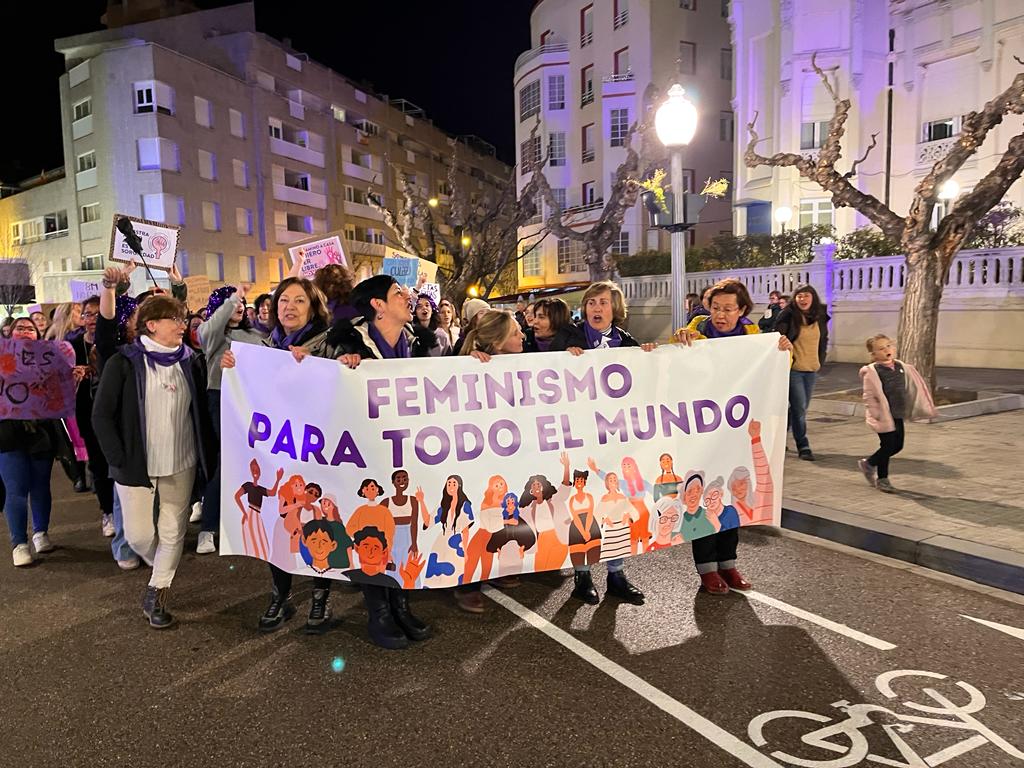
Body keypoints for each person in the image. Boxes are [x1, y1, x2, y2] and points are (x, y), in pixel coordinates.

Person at [222, 276, 342, 635]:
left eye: (299, 301)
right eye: (283, 301)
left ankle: (321, 593)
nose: (289, 307)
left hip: (321, 453)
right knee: (282, 523)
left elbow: (347, 386)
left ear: (313, 308)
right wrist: (232, 369)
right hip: (280, 455)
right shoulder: (262, 348)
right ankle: (281, 594)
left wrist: (332, 364)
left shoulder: (328, 345)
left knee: (320, 523)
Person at [92, 295, 217, 628]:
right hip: (135, 466)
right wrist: (118, 460)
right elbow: (101, 415)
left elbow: (206, 405)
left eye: (183, 317)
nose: (183, 325)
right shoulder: (124, 362)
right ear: (152, 325)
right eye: (174, 319)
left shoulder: (192, 360)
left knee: (173, 531)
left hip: (182, 461)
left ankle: (158, 592)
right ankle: (161, 563)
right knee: (139, 537)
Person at [331, 274, 437, 649]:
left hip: (405, 455)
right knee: (374, 533)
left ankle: (401, 603)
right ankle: (378, 612)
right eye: (398, 293)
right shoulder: (346, 344)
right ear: (378, 305)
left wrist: (477, 362)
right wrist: (341, 366)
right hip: (364, 459)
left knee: (404, 533)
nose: (408, 297)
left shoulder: (417, 343)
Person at [675, 279, 793, 595]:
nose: (721, 314)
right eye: (716, 307)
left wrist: (783, 352)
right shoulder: (693, 335)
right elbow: (668, 367)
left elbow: (776, 371)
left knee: (732, 500)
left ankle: (728, 564)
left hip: (736, 436)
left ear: (741, 310)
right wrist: (677, 343)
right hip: (701, 436)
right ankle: (707, 571)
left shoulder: (755, 339)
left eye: (728, 309)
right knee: (702, 503)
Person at [550, 280, 650, 605]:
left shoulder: (626, 341)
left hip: (614, 438)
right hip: (580, 436)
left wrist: (650, 356)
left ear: (614, 309)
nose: (596, 308)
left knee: (614, 506)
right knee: (583, 507)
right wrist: (563, 359)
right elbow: (543, 368)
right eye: (591, 302)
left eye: (603, 303)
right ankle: (582, 576)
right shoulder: (569, 337)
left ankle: (617, 574)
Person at [0, 318, 79, 566]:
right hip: (8, 430)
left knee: (40, 483)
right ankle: (19, 543)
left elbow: (61, 392)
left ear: (38, 334)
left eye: (30, 328)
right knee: (15, 487)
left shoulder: (51, 358)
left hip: (43, 428)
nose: (25, 331)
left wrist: (72, 379)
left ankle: (40, 532)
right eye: (19, 328)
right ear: (9, 335)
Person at [196, 285, 267, 555]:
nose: (238, 306)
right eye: (232, 303)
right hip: (222, 399)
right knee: (227, 462)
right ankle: (209, 527)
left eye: (241, 302)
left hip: (254, 403)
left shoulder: (256, 335)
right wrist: (233, 297)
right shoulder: (212, 336)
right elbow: (209, 327)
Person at [858, 334, 937, 493]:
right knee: (887, 445)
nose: (887, 350)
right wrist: (876, 413)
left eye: (889, 345)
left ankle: (869, 463)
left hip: (897, 413)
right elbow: (868, 396)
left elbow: (912, 386)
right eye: (881, 348)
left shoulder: (901, 366)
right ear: (874, 355)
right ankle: (883, 479)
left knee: (898, 445)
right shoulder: (873, 371)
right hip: (883, 415)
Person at [774, 284, 829, 461]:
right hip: (794, 369)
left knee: (800, 408)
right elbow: (777, 338)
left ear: (813, 298)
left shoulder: (819, 317)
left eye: (806, 295)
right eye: (799, 296)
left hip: (812, 369)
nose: (803, 299)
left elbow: (823, 340)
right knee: (799, 409)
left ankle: (779, 437)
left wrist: (821, 359)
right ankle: (803, 446)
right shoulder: (788, 316)